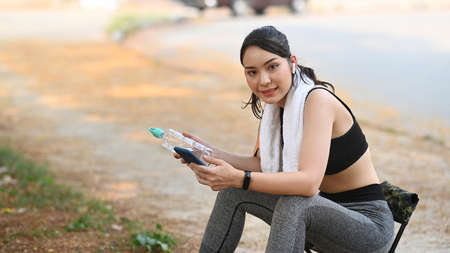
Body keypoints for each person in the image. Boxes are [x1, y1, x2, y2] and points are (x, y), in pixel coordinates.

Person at [174, 26, 394, 253]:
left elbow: (308, 184)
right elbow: (262, 165)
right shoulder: (275, 107)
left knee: (294, 203)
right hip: (321, 216)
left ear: (292, 63)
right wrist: (210, 154)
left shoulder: (317, 100)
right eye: (252, 72)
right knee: (232, 191)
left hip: (367, 229)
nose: (264, 81)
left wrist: (240, 178)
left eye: (272, 67)